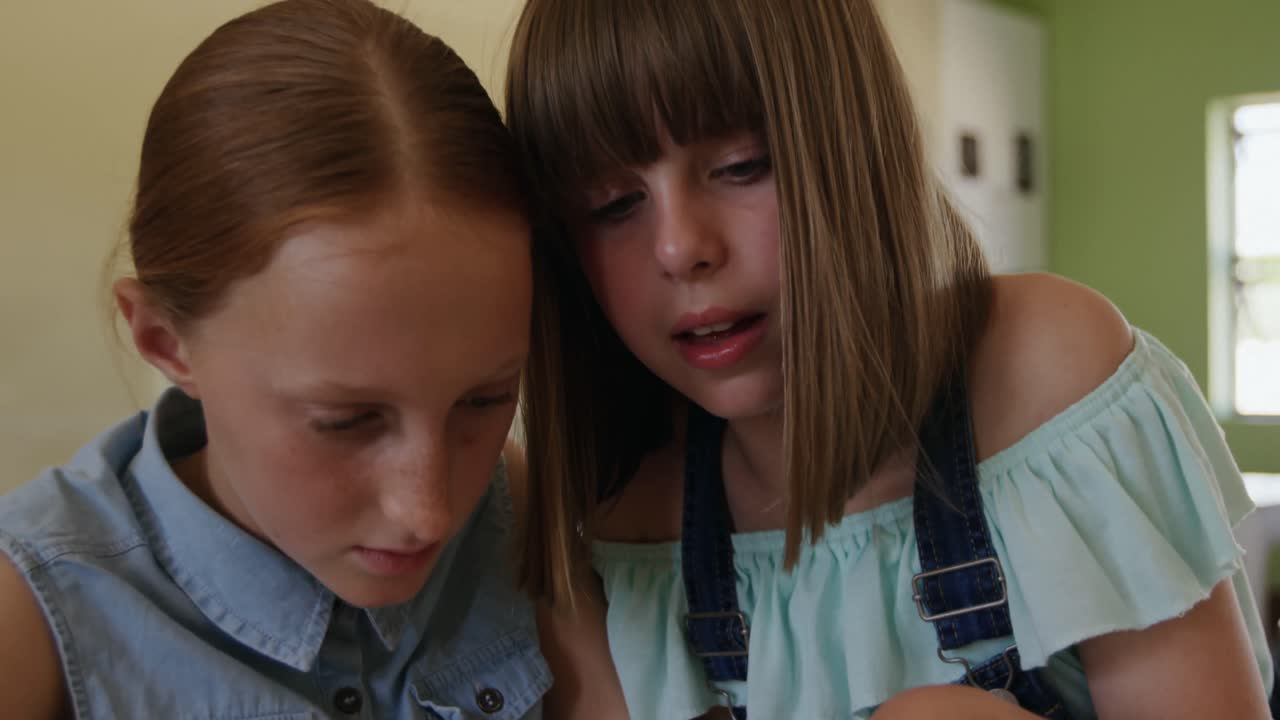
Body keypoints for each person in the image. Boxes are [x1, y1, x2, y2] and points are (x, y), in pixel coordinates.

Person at [504, 0, 1275, 718]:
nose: (680, 248)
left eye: (742, 165)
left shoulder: (1048, 374)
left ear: (858, 146)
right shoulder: (622, 514)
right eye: (611, 205)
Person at [0, 1, 549, 716]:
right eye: (346, 420)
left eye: (483, 401)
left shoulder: (524, 521)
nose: (428, 512)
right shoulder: (33, 620)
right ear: (165, 340)